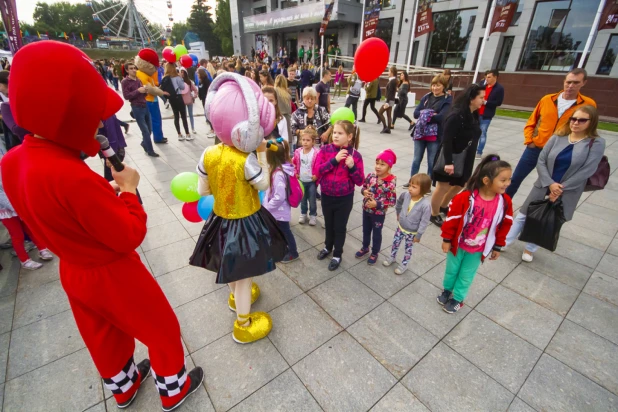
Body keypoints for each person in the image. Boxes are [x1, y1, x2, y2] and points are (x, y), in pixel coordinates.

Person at [2, 41, 203, 411]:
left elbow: (46, 216)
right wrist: (127, 191)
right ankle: (174, 388)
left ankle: (124, 387)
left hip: (73, 269)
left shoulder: (14, 161)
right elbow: (128, 234)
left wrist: (101, 193)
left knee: (102, 335)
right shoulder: (71, 175)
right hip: (111, 271)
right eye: (93, 112)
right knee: (160, 328)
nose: (100, 121)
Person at [190, 73, 287, 344]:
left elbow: (202, 191)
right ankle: (242, 324)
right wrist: (260, 154)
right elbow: (264, 184)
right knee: (244, 274)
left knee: (230, 266)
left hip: (220, 220)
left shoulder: (208, 154)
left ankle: (236, 299)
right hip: (245, 224)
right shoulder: (246, 160)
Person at [506, 105, 605, 262]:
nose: (576, 123)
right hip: (545, 183)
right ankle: (504, 242)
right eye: (574, 118)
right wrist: (550, 183)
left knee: (547, 218)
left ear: (591, 122)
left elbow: (588, 169)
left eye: (582, 120)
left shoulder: (596, 143)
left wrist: (560, 188)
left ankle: (530, 249)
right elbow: (541, 159)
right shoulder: (558, 136)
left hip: (568, 190)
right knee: (524, 214)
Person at [439, 155, 513, 313]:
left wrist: (498, 246)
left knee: (466, 275)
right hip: (457, 245)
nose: (508, 183)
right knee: (451, 270)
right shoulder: (465, 197)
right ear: (486, 181)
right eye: (503, 180)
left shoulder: (504, 201)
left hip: (478, 249)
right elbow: (451, 218)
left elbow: (505, 224)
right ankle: (447, 290)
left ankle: (458, 298)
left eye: (509, 179)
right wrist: (446, 239)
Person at [506, 68, 596, 198]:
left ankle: (538, 213)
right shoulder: (547, 99)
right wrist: (529, 141)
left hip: (560, 153)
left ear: (583, 83)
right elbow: (532, 121)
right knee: (515, 179)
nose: (571, 86)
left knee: (551, 187)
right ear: (564, 81)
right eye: (568, 82)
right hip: (535, 148)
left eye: (576, 83)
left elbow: (589, 128)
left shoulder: (588, 104)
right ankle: (501, 207)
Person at [430, 84, 484, 227]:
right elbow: (446, 140)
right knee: (442, 187)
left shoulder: (473, 115)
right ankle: (433, 213)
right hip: (451, 156)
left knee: (462, 183)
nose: (483, 101)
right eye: (481, 97)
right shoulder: (455, 115)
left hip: (466, 157)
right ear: (471, 98)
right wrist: (449, 162)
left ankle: (444, 205)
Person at [314, 120, 364, 271]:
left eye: (340, 133)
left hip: (344, 198)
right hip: (327, 195)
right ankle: (327, 247)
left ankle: (337, 254)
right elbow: (317, 170)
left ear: (349, 136)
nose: (335, 135)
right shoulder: (325, 150)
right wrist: (334, 161)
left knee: (340, 227)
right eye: (334, 132)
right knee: (329, 224)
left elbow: (360, 181)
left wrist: (352, 167)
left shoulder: (355, 155)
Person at [0, 165, 53, 270]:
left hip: (19, 205)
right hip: (6, 211)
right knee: (17, 235)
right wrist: (17, 208)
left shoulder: (4, 167)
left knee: (31, 229)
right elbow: (1, 195)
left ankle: (42, 249)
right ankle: (25, 261)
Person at [383, 173, 432, 275]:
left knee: (408, 249)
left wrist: (419, 235)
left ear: (423, 189)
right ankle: (392, 257)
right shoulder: (405, 195)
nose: (410, 188)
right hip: (400, 227)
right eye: (410, 185)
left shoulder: (425, 205)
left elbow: (424, 221)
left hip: (412, 232)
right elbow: (399, 202)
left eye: (414, 187)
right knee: (395, 243)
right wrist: (398, 213)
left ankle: (404, 264)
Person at [356, 149, 397, 266]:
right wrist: (364, 192)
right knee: (366, 230)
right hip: (366, 210)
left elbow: (392, 201)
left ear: (389, 166)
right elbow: (363, 187)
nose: (378, 166)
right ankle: (365, 247)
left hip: (378, 214)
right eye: (377, 163)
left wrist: (378, 204)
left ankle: (375, 252)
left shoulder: (390, 183)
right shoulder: (371, 176)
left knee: (377, 233)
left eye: (382, 164)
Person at [408, 74, 452, 184]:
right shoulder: (427, 97)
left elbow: (441, 117)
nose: (435, 88)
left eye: (438, 85)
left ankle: (427, 184)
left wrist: (425, 113)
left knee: (431, 161)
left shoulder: (447, 99)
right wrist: (430, 113)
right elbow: (416, 113)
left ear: (444, 86)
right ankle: (412, 181)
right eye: (433, 85)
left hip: (435, 136)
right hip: (420, 133)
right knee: (416, 159)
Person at [263, 138, 299, 263]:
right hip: (278, 211)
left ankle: (293, 252)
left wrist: (267, 207)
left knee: (286, 232)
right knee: (281, 231)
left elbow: (279, 196)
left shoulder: (278, 174)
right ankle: (281, 248)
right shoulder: (280, 169)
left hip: (279, 211)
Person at [121, 62, 160, 157]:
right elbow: (126, 96)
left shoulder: (138, 80)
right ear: (127, 70)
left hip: (145, 105)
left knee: (149, 129)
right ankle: (150, 150)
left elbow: (143, 94)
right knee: (145, 131)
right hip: (136, 107)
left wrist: (145, 91)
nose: (134, 70)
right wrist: (138, 91)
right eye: (131, 68)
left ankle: (144, 143)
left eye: (135, 68)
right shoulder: (125, 82)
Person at [135, 49, 168, 145]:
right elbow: (150, 89)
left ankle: (158, 136)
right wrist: (161, 92)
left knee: (155, 119)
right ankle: (157, 137)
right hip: (149, 100)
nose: (155, 69)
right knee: (155, 119)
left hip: (151, 99)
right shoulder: (141, 75)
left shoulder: (142, 73)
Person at [293, 126, 319, 226]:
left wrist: (316, 175)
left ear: (313, 141)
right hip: (301, 181)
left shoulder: (316, 153)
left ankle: (313, 214)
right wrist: (295, 172)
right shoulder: (297, 152)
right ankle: (303, 213)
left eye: (308, 140)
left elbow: (319, 165)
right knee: (302, 199)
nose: (305, 142)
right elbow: (294, 163)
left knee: (312, 200)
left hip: (311, 181)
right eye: (303, 140)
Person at [476, 69, 504, 158]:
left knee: (482, 133)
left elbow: (498, 102)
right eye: (486, 77)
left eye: (489, 77)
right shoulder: (482, 85)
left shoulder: (499, 89)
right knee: (473, 131)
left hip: (486, 115)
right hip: (476, 113)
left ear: (495, 77)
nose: (486, 79)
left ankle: (479, 152)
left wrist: (486, 102)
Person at [160, 63, 191, 141]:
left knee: (176, 116)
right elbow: (182, 87)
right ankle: (187, 134)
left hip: (171, 98)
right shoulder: (177, 77)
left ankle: (179, 134)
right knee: (183, 116)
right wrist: (181, 78)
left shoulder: (165, 78)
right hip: (178, 97)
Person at [274, 75, 293, 149]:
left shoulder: (274, 90)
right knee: (287, 137)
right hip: (287, 117)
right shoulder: (287, 93)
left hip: (278, 116)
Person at [378, 66, 398, 134]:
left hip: (389, 100)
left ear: (392, 72)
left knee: (380, 112)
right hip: (391, 100)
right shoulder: (393, 80)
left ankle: (385, 127)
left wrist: (387, 102)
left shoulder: (392, 81)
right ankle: (388, 129)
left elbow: (390, 93)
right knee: (389, 115)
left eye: (389, 71)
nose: (388, 73)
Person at [181, 70, 198, 137]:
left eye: (183, 72)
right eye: (180, 72)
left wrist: (194, 96)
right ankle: (187, 129)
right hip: (182, 101)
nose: (181, 74)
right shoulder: (179, 81)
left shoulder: (189, 81)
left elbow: (195, 89)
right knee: (184, 116)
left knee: (190, 114)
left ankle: (192, 128)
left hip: (189, 100)